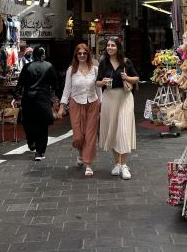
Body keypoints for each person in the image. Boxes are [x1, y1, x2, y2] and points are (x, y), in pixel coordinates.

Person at [96, 37, 139, 179]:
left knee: (124, 130)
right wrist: (102, 82)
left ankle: (124, 164)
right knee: (113, 130)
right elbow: (97, 82)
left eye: (112, 45)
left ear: (118, 47)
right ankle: (117, 163)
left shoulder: (126, 62)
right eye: (108, 45)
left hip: (125, 98)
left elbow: (137, 78)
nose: (109, 47)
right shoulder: (103, 62)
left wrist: (127, 77)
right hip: (109, 98)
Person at [58, 44, 101, 177]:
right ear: (76, 55)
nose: (82, 55)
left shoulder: (95, 69)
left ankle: (88, 164)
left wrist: (102, 104)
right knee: (78, 135)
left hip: (92, 103)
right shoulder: (71, 70)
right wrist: (61, 107)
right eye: (79, 53)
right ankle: (81, 154)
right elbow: (67, 89)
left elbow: (99, 89)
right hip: (76, 104)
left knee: (90, 135)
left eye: (84, 53)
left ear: (88, 55)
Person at [12, 46, 58, 161]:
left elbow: (20, 84)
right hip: (43, 99)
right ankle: (40, 152)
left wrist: (16, 96)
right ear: (43, 55)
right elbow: (56, 83)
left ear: (33, 55)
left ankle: (31, 140)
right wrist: (53, 93)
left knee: (28, 122)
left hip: (29, 99)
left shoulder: (27, 67)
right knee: (42, 126)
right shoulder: (49, 66)